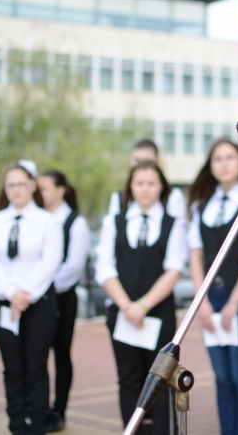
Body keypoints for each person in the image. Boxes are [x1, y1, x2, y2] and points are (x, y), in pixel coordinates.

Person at [95, 160, 188, 435]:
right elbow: (105, 267)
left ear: (161, 187)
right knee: (129, 379)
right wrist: (127, 306)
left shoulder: (173, 223)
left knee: (160, 379)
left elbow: (173, 269)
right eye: (139, 183)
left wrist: (144, 305)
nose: (145, 189)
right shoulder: (115, 221)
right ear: (130, 187)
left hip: (159, 314)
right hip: (122, 314)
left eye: (151, 183)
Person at [188, 139, 238, 435]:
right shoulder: (200, 206)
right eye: (218, 159)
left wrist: (234, 302)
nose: (224, 164)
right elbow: (195, 257)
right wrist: (202, 302)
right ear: (210, 166)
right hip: (212, 298)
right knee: (222, 377)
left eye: (230, 158)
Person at [0, 160, 62, 435]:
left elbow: (51, 260)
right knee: (12, 369)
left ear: (32, 186)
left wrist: (25, 293)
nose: (15, 190)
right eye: (10, 185)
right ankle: (16, 425)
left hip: (38, 302)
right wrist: (10, 292)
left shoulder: (47, 221)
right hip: (5, 301)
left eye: (21, 184)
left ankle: (37, 426)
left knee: (36, 368)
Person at [37, 170, 91, 433]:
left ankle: (58, 411)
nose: (40, 193)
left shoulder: (74, 222)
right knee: (36, 355)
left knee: (60, 354)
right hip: (37, 297)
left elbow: (73, 266)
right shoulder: (39, 218)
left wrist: (43, 286)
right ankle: (38, 407)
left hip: (60, 297)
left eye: (44, 188)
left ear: (60, 190)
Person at [107, 138, 186, 219]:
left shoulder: (173, 197)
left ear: (157, 162)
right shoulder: (119, 198)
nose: (142, 166)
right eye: (137, 161)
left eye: (147, 161)